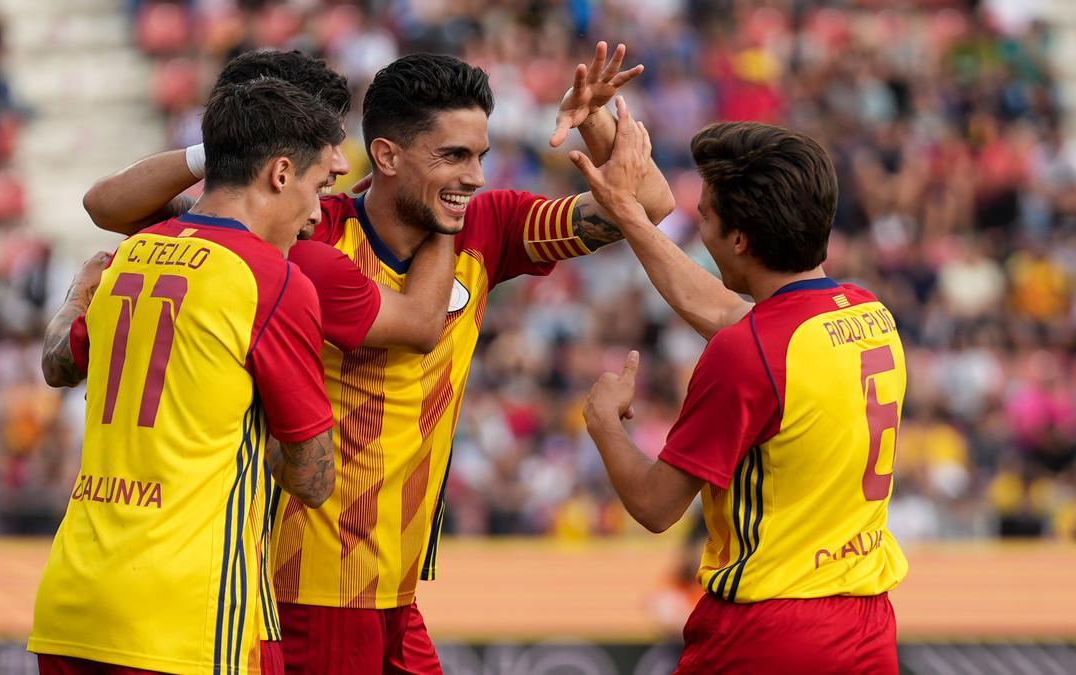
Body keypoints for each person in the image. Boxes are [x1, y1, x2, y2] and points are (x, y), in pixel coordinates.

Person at [84, 44, 674, 674]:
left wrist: (595, 118)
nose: (474, 176)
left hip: (397, 592)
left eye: (480, 156)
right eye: (452, 156)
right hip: (306, 586)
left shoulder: (489, 224)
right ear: (387, 156)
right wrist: (223, 152)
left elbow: (648, 208)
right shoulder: (306, 233)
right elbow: (109, 208)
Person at [29, 78, 344, 675]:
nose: (316, 213)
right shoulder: (273, 281)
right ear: (281, 173)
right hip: (190, 622)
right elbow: (312, 479)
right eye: (318, 185)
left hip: (73, 606)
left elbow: (57, 362)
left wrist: (76, 297)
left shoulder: (132, 255)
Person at [575, 116, 906, 673]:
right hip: (867, 627)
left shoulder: (744, 354)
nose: (698, 225)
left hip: (766, 633)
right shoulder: (868, 313)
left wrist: (604, 423)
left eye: (704, 215)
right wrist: (630, 216)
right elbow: (730, 316)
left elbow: (657, 508)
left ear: (739, 240)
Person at [84, 49, 457, 356]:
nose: (342, 164)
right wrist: (444, 204)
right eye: (328, 145)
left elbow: (105, 208)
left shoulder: (198, 234)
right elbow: (421, 326)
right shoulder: (304, 260)